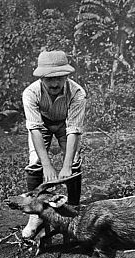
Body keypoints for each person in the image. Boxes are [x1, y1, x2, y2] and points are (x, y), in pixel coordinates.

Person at [21, 50, 87, 238]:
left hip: (65, 125)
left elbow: (74, 129)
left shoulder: (77, 93)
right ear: (41, 77)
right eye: (49, 79)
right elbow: (34, 129)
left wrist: (66, 166)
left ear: (67, 75)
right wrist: (48, 165)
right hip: (41, 124)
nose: (55, 83)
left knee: (73, 162)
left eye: (59, 78)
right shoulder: (31, 93)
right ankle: (35, 215)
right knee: (35, 163)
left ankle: (74, 211)